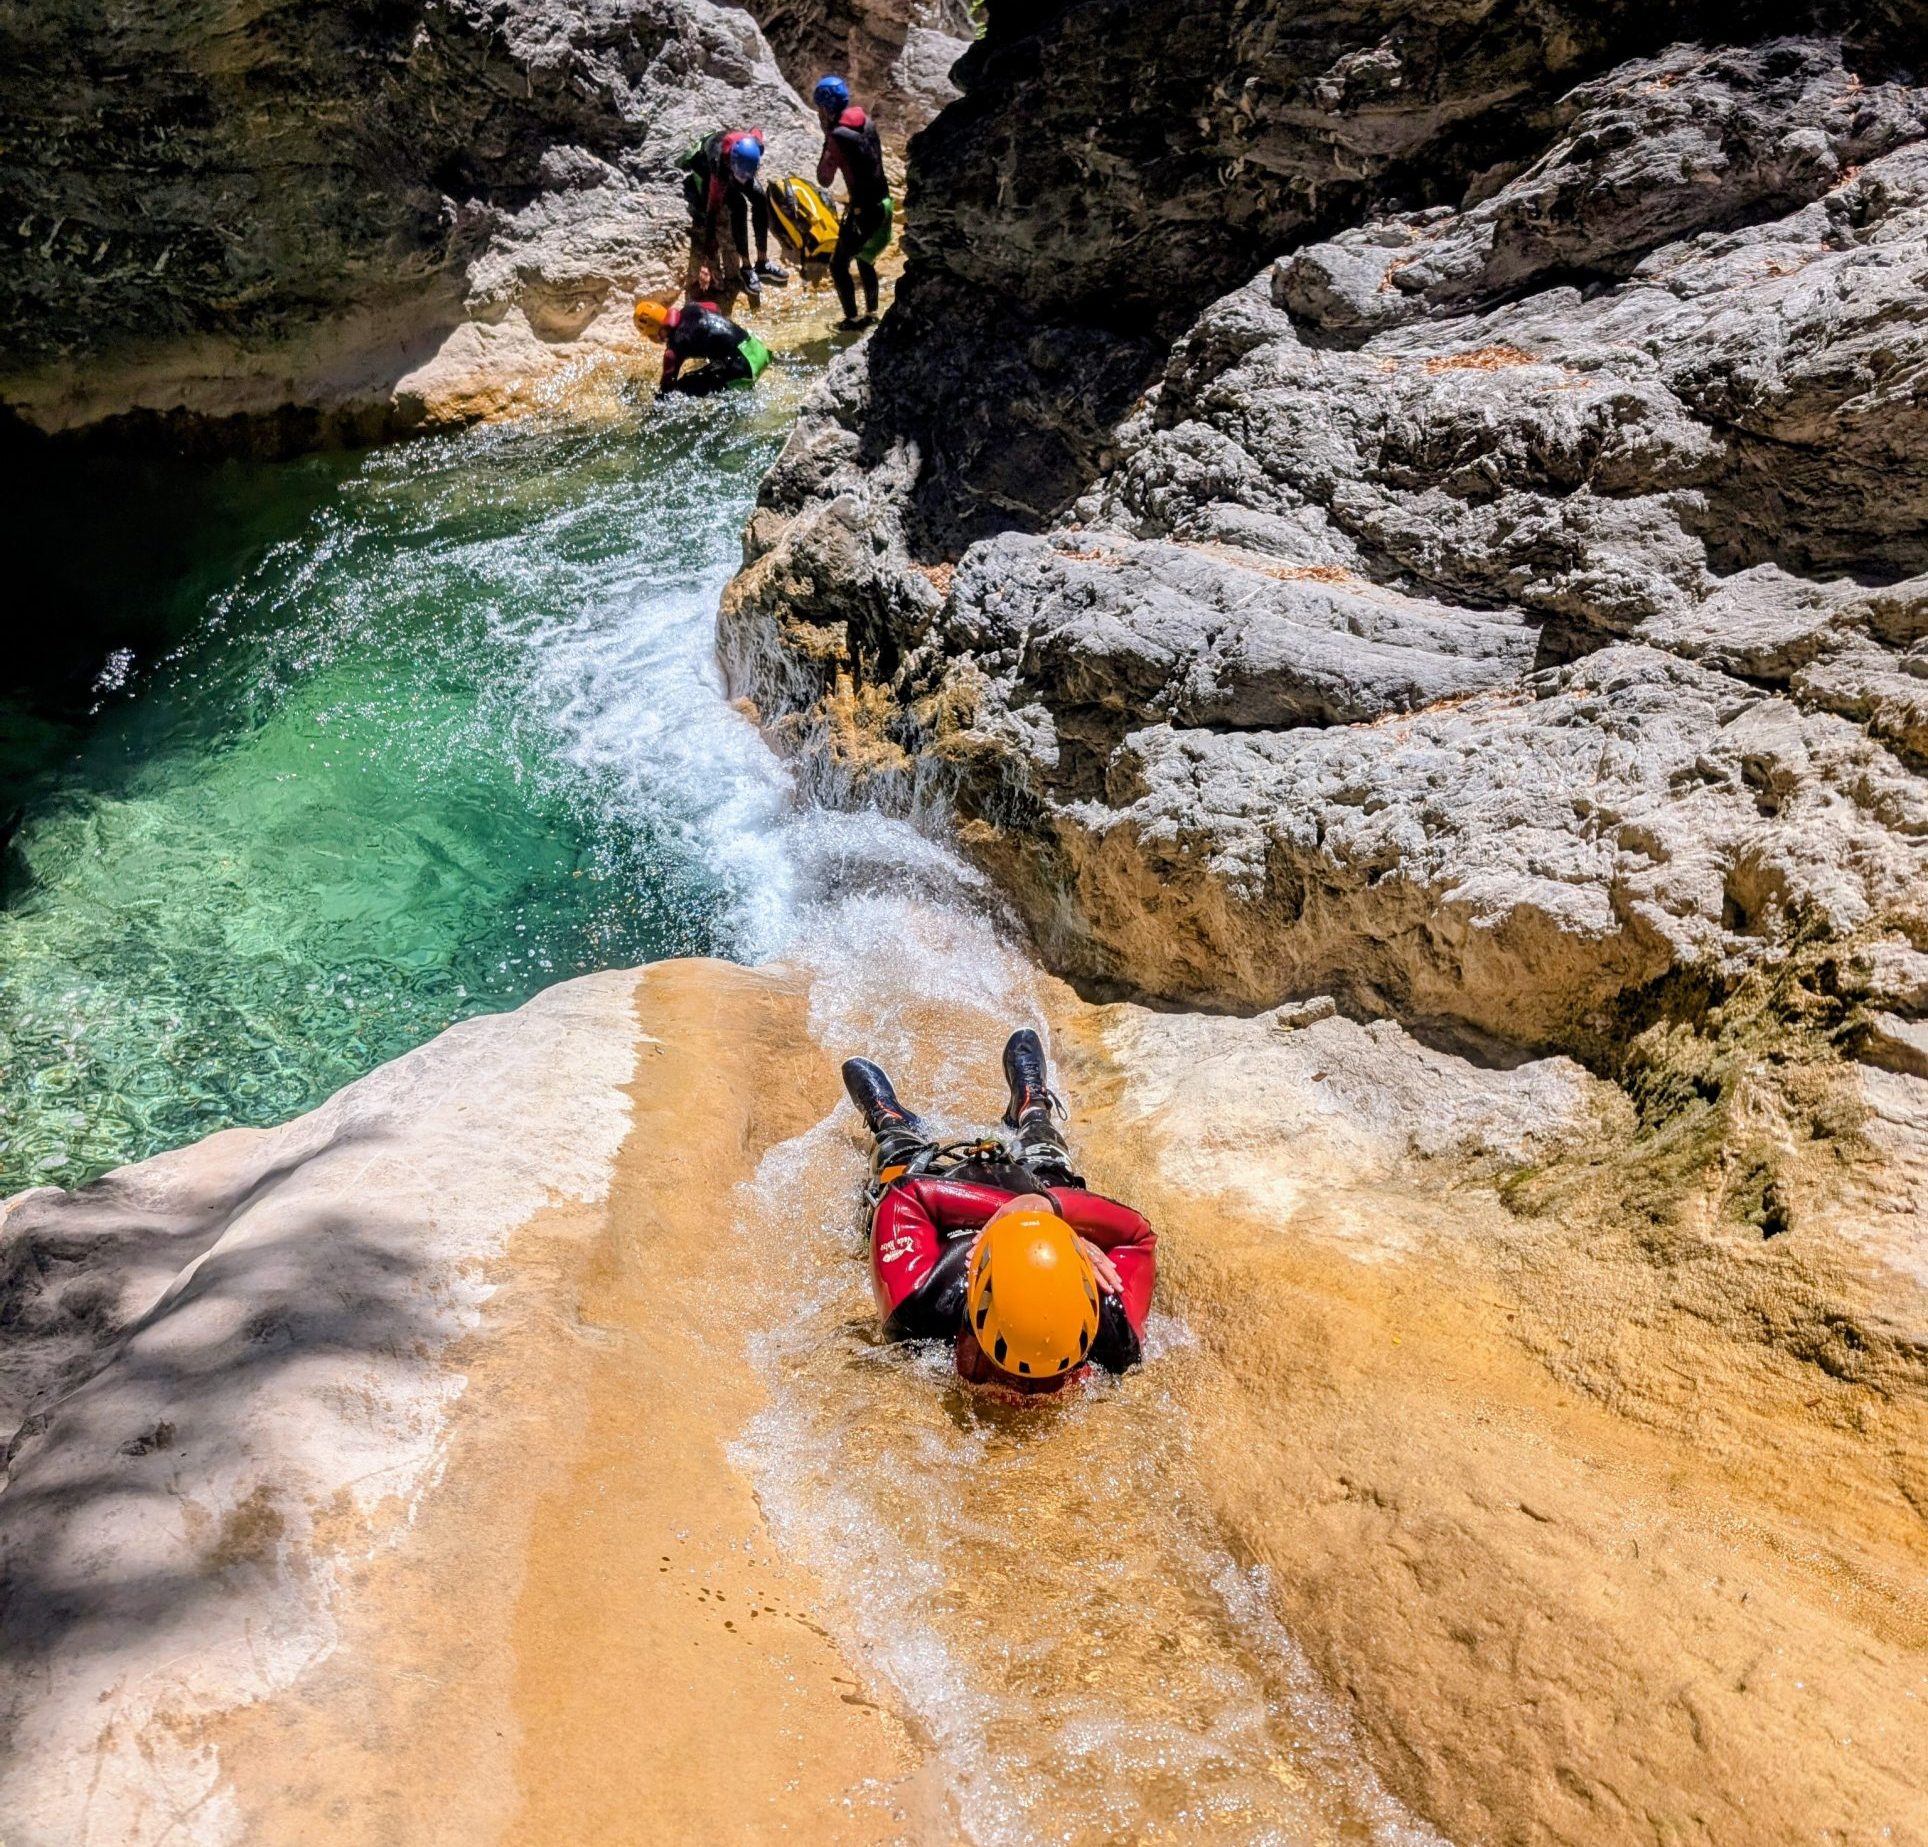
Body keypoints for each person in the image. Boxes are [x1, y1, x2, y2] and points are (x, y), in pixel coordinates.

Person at [843, 1029, 1156, 1397]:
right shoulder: (926, 1300)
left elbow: (906, 1197)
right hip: (991, 1196)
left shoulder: (1109, 1322)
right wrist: (1043, 1215)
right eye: (1000, 1373)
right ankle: (892, 1119)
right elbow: (908, 1196)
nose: (1026, 1396)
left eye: (1062, 1375)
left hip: (992, 1199)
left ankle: (1022, 1111)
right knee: (1046, 1172)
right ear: (967, 1340)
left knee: (904, 1163)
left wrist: (1043, 1218)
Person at [812, 75, 894, 329]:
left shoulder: (837, 136)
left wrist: (827, 137)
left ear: (825, 108)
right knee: (865, 258)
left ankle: (852, 320)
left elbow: (824, 178)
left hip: (864, 212)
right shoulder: (866, 121)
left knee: (838, 265)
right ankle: (871, 313)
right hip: (884, 204)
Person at [679, 127, 790, 306]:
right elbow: (712, 209)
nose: (743, 182)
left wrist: (744, 176)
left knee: (760, 198)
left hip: (737, 168)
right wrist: (710, 243)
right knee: (738, 206)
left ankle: (762, 263)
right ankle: (746, 268)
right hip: (708, 171)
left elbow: (756, 130)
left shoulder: (755, 147)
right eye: (742, 177)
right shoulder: (718, 164)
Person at [634, 297, 770, 397]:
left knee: (683, 387)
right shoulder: (691, 306)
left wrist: (657, 402)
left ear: (659, 333)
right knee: (716, 367)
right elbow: (715, 306)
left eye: (651, 337)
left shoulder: (673, 350)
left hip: (745, 369)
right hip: (757, 350)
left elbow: (667, 386)